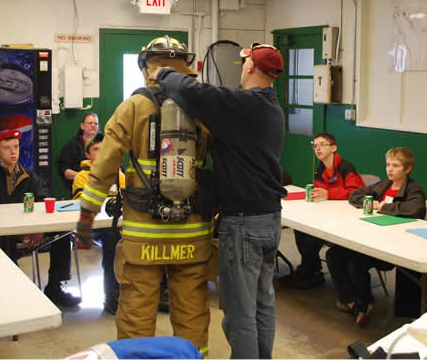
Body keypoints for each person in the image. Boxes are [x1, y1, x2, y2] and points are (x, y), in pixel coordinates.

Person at [76, 36, 212, 358]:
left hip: (143, 236)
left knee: (136, 311)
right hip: (193, 233)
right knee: (192, 314)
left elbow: (106, 163)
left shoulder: (134, 106)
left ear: (145, 67)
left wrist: (86, 217)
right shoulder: (204, 106)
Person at [148, 42, 286, 359]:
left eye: (244, 62)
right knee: (262, 305)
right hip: (269, 219)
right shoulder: (270, 106)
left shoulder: (244, 105)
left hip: (243, 224)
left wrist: (163, 72)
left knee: (239, 315)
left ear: (250, 66)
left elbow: (194, 93)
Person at [0, 129, 81, 308]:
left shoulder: (29, 176)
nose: (13, 151)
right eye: (7, 148)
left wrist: (37, 227)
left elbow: (42, 199)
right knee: (2, 241)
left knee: (63, 234)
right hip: (2, 233)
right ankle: (12, 291)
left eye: (15, 147)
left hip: (30, 230)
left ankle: (55, 288)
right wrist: (19, 229)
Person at [327, 147, 426, 326]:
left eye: (395, 166)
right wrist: (369, 202)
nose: (390, 169)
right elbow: (355, 195)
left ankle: (365, 302)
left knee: (356, 262)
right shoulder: (383, 185)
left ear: (408, 169)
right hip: (370, 238)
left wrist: (383, 207)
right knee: (333, 255)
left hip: (393, 245)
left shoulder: (413, 189)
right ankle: (351, 300)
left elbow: (415, 209)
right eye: (388, 164)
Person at [280, 132, 365, 289]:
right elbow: (321, 189)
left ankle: (309, 271)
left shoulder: (345, 167)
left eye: (322, 145)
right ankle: (311, 270)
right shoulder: (322, 167)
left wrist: (329, 194)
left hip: (347, 217)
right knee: (301, 228)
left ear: (334, 148)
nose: (317, 148)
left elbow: (356, 193)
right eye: (315, 145)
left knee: (312, 235)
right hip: (329, 213)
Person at [72, 133, 125, 314]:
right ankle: (112, 294)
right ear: (88, 154)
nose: (101, 153)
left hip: (119, 224)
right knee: (112, 240)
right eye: (95, 149)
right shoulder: (82, 176)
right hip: (96, 228)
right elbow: (81, 203)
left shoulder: (119, 175)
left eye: (104, 149)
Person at [58, 113, 100, 192]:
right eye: (90, 123)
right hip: (80, 188)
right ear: (82, 126)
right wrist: (83, 177)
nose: (93, 125)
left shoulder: (106, 144)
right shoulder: (72, 145)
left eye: (96, 123)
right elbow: (63, 170)